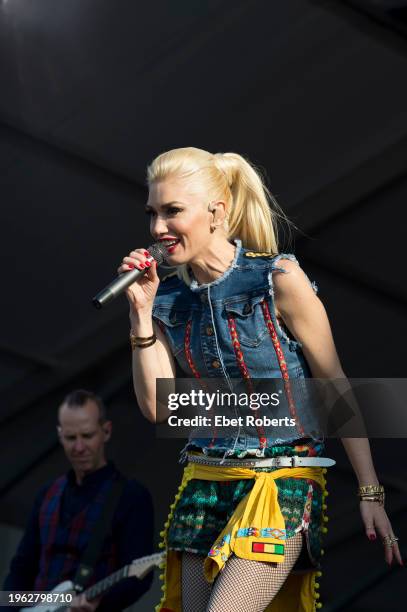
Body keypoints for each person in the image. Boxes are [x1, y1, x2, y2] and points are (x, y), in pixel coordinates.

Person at [119, 147, 402, 612]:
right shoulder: (165, 298)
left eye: (172, 212)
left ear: (218, 211)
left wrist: (370, 490)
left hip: (279, 482)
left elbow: (334, 384)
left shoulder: (277, 277)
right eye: (152, 213)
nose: (156, 229)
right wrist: (141, 316)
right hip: (205, 481)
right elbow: (156, 407)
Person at [2, 389, 154, 612]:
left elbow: (139, 578)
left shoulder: (131, 496)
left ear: (106, 431)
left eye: (87, 435)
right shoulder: (47, 494)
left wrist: (101, 602)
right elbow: (21, 568)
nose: (79, 447)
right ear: (60, 435)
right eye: (71, 438)